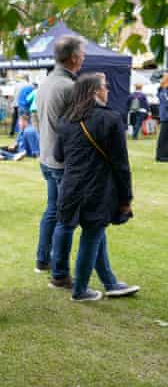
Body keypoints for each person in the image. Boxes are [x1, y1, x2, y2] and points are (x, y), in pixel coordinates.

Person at [54, 73, 139, 301]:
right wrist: (126, 198)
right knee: (92, 237)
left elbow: (58, 155)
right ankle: (80, 290)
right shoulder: (110, 119)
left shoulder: (65, 120)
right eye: (105, 87)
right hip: (97, 189)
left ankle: (110, 282)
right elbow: (121, 164)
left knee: (96, 235)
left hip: (71, 187)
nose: (108, 90)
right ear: (94, 91)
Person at [35, 35, 85, 284]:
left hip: (47, 156)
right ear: (74, 58)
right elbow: (80, 127)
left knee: (53, 210)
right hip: (62, 161)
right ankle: (59, 271)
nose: (83, 58)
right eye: (82, 54)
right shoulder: (68, 86)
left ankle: (43, 259)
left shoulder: (46, 82)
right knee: (65, 217)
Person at [157, 74, 168, 162]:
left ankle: (163, 155)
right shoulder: (165, 91)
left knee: (164, 137)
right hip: (166, 116)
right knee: (164, 138)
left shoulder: (162, 89)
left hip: (164, 115)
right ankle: (161, 156)